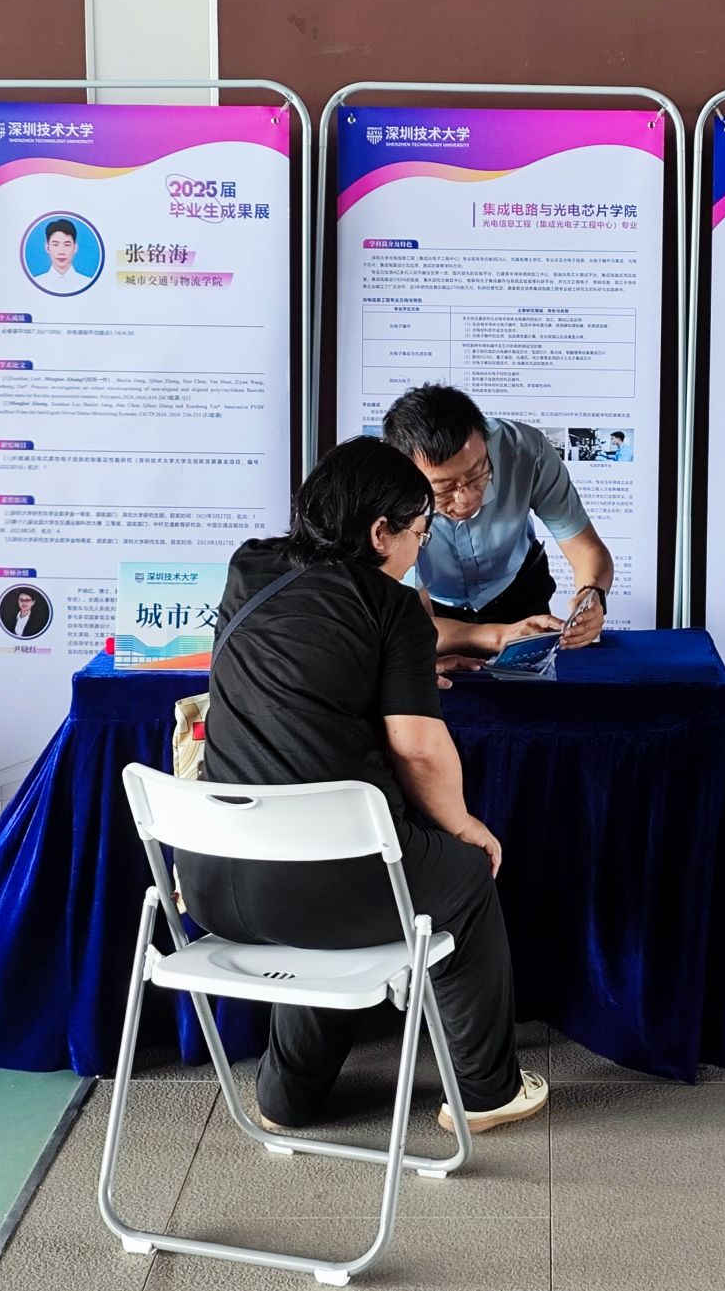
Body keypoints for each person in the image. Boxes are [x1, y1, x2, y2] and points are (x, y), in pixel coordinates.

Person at [177, 436, 547, 1135]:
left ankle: (286, 1098)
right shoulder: (392, 606)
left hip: (210, 881)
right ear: (381, 532)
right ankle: (486, 1091)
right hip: (322, 886)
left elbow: (303, 660)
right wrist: (463, 826)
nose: (418, 549)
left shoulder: (249, 565)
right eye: (419, 533)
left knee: (330, 868)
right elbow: (418, 749)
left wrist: (401, 669)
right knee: (462, 876)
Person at [383, 384, 613, 652]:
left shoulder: (526, 450)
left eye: (477, 473)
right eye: (444, 488)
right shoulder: (386, 491)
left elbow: (584, 546)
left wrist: (592, 594)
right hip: (437, 613)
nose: (466, 498)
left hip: (519, 592)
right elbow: (413, 625)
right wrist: (497, 636)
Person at [37, 218, 92, 293]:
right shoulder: (37, 283)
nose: (61, 252)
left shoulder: (87, 283)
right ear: (47, 247)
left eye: (67, 245)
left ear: (75, 247)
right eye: (55, 245)